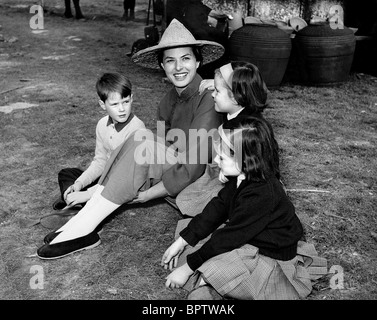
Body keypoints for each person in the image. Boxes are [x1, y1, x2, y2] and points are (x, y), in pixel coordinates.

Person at [36, 19, 224, 260]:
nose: (178, 67)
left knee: (140, 139)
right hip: (173, 167)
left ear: (198, 61)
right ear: (162, 66)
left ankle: (84, 226)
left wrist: (148, 194)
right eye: (170, 60)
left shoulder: (209, 96)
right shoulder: (166, 101)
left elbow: (194, 164)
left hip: (199, 177)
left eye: (186, 58)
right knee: (140, 139)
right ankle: (80, 225)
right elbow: (160, 149)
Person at [161, 116, 328, 300]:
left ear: (245, 160)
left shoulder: (262, 194)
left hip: (268, 255)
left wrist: (187, 268)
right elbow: (217, 208)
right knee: (192, 236)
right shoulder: (244, 176)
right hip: (248, 238)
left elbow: (229, 237)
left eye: (222, 157)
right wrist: (184, 240)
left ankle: (212, 285)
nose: (216, 160)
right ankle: (211, 281)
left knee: (213, 263)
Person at [176, 61, 269, 217]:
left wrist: (225, 177)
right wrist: (217, 83)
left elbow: (248, 171)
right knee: (186, 197)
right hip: (228, 173)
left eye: (217, 91)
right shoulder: (240, 108)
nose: (213, 94)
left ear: (234, 97)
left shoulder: (242, 128)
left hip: (244, 184)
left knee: (188, 201)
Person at [51, 73, 145, 211]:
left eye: (125, 101)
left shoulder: (137, 129)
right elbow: (100, 160)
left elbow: (124, 176)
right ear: (102, 104)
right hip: (106, 178)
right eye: (114, 104)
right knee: (67, 174)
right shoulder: (102, 124)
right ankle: (73, 198)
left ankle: (82, 204)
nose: (121, 109)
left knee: (105, 195)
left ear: (132, 98)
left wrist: (88, 193)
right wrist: (79, 184)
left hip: (124, 183)